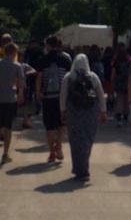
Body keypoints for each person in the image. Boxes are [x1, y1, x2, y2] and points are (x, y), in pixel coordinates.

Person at [61, 53, 108, 181]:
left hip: (74, 112)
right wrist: (103, 112)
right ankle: (84, 167)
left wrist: (63, 111)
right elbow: (100, 94)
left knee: (76, 141)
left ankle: (79, 169)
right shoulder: (93, 77)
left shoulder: (68, 77)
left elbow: (63, 95)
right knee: (88, 139)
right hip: (90, 112)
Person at [0, 41, 25, 164]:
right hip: (10, 99)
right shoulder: (17, 66)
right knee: (8, 127)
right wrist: (20, 94)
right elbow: (21, 84)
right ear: (14, 53)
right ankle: (5, 154)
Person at [37, 35, 72, 163]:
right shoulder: (65, 58)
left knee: (50, 126)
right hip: (62, 96)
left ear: (48, 45)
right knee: (62, 123)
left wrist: (38, 92)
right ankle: (60, 146)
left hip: (48, 97)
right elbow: (69, 78)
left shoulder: (43, 59)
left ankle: (52, 152)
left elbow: (39, 77)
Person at [112, 43, 131, 126]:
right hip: (127, 82)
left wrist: (113, 82)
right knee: (126, 101)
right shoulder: (129, 60)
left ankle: (119, 119)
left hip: (119, 81)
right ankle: (126, 118)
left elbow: (113, 73)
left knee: (119, 100)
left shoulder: (116, 60)